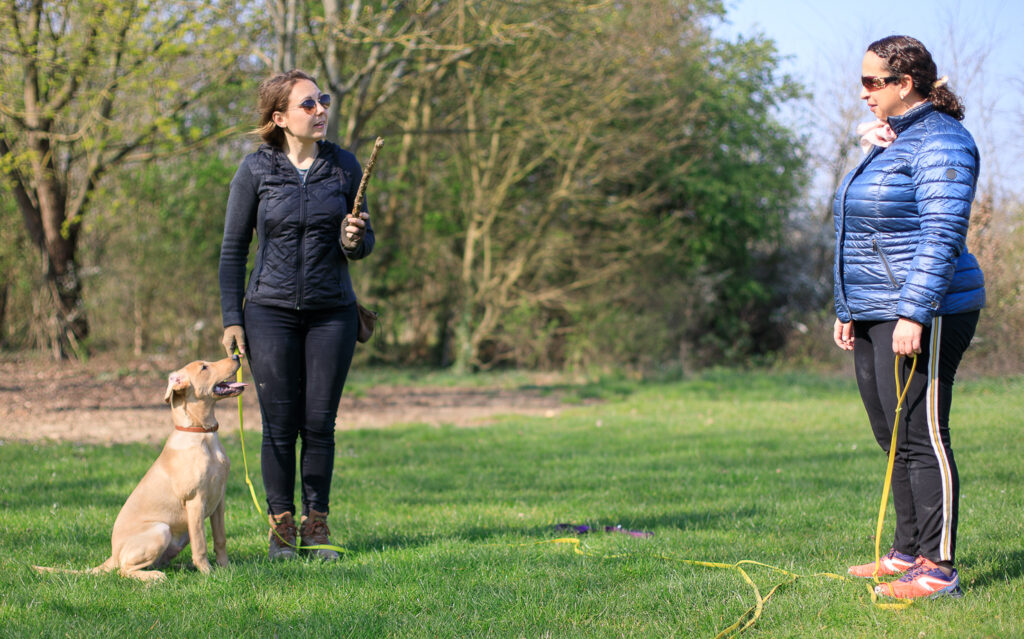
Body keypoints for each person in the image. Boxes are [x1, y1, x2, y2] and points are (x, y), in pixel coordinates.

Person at [833, 35, 985, 599]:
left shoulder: (944, 141)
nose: (865, 91)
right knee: (890, 434)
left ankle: (939, 568)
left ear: (906, 83)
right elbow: (860, 229)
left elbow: (942, 234)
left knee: (923, 434)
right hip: (874, 309)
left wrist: (914, 312)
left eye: (875, 81)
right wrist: (847, 307)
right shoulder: (893, 139)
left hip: (928, 308)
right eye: (863, 80)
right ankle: (904, 553)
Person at [218, 69, 374, 560]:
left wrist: (353, 239)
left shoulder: (346, 166)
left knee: (320, 424)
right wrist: (232, 317)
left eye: (323, 100)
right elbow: (232, 250)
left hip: (333, 313)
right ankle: (282, 531)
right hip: (269, 312)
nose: (321, 110)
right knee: (279, 425)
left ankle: (317, 526)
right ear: (280, 117)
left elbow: (363, 242)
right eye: (309, 104)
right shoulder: (255, 170)